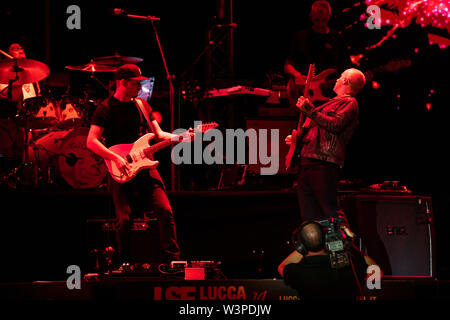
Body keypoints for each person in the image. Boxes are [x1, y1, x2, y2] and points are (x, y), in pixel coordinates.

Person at [87, 64, 189, 269]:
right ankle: (124, 263)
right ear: (123, 83)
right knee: (124, 220)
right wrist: (115, 158)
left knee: (165, 210)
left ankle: (173, 259)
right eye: (136, 83)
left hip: (145, 168)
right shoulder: (105, 108)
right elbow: (91, 141)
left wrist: (182, 136)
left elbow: (159, 135)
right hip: (121, 169)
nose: (140, 87)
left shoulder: (142, 105)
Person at [285, 68, 366, 222]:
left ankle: (343, 244)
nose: (336, 79)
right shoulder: (329, 104)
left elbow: (335, 125)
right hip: (308, 162)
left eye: (340, 77)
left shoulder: (349, 102)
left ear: (346, 81)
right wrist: (297, 139)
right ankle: (315, 244)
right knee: (309, 215)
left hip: (323, 163)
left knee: (330, 210)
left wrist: (309, 109)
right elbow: (318, 128)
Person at [278, 220, 379, 300]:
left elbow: (281, 267)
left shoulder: (298, 271)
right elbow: (377, 272)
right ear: (325, 239)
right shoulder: (348, 267)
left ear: (300, 245)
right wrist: (350, 246)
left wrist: (302, 248)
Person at [284, 0, 351, 107]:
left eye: (323, 20)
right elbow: (287, 65)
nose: (320, 24)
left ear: (329, 16)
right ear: (310, 16)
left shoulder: (337, 39)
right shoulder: (300, 37)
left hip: (329, 96)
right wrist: (298, 75)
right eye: (316, 20)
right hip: (303, 93)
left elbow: (346, 68)